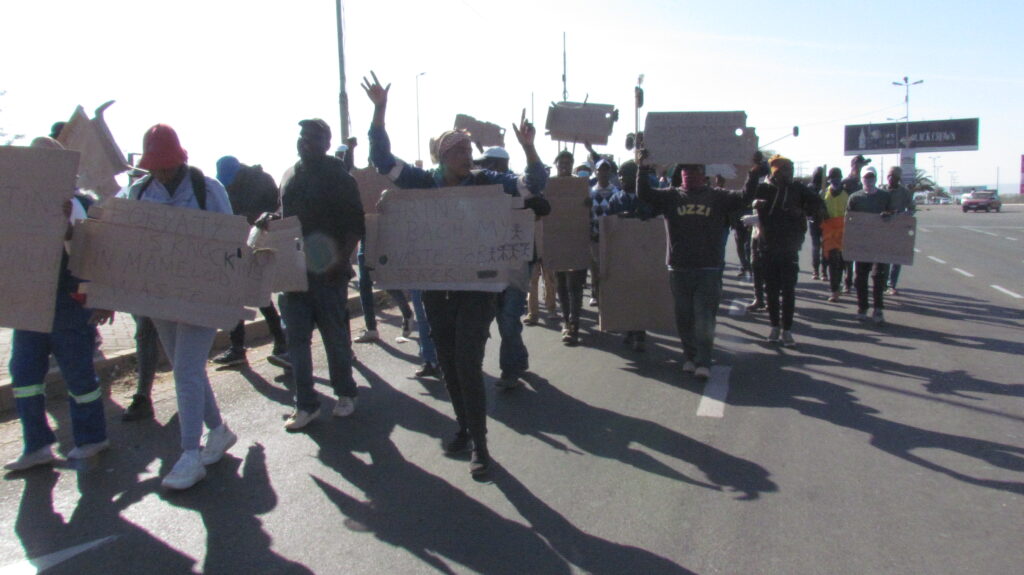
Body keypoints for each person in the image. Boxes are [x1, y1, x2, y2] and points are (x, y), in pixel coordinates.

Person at [364, 72, 549, 477]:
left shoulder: (488, 182)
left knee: (467, 361)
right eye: (460, 149)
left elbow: (533, 185)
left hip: (478, 290)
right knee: (448, 362)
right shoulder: (421, 184)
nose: (468, 154)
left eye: (469, 148)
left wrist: (530, 149)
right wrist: (379, 112)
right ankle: (464, 428)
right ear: (442, 157)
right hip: (436, 288)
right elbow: (383, 162)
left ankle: (481, 446)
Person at [119, 124, 237, 490]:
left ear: (181, 159)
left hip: (202, 297)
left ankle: (189, 453)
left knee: (186, 369)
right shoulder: (136, 194)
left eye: (168, 165)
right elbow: (118, 238)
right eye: (157, 167)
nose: (164, 173)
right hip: (159, 298)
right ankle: (218, 431)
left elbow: (232, 243)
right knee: (185, 368)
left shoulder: (207, 189)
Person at [5, 136, 109, 472]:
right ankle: (37, 445)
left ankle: (92, 438)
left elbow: (89, 254)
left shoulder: (80, 203)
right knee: (24, 375)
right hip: (30, 302)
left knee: (78, 374)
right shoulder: (17, 202)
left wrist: (66, 230)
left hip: (67, 304)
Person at [269, 118, 365, 430]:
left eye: (312, 137)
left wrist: (343, 258)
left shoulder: (338, 176)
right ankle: (306, 404)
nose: (304, 142)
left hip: (329, 275)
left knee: (335, 338)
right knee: (296, 340)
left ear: (326, 143)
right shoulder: (289, 175)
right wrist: (268, 222)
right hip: (294, 275)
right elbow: (284, 218)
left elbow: (355, 223)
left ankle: (345, 393)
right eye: (301, 136)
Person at [638, 159, 747, 379]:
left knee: (704, 316)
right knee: (684, 316)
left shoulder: (717, 196)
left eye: (695, 169)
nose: (690, 173)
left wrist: (754, 172)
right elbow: (644, 194)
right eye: (686, 170)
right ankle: (690, 356)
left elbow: (745, 197)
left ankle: (704, 361)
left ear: (704, 173)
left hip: (708, 268)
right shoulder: (671, 196)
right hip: (679, 267)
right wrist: (642, 167)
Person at [211, 156, 289, 368]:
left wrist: (260, 218)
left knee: (261, 295)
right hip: (236, 246)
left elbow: (278, 209)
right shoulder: (227, 188)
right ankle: (237, 349)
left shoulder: (262, 180)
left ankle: (282, 342)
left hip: (260, 244)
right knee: (234, 297)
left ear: (240, 172)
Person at [744, 154, 823, 347]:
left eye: (791, 170)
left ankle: (787, 330)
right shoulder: (763, 189)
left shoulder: (797, 189)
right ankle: (774, 327)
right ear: (775, 172)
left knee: (788, 290)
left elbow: (820, 207)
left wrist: (803, 211)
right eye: (785, 170)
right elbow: (745, 197)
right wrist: (753, 176)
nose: (789, 174)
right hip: (767, 246)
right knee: (771, 290)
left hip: (790, 247)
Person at [609, 160, 655, 352]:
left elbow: (651, 219)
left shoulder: (645, 197)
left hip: (641, 252)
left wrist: (635, 215)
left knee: (640, 292)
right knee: (625, 292)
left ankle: (640, 332)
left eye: (625, 174)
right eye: (619, 174)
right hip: (621, 253)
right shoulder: (615, 199)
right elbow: (609, 224)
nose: (621, 178)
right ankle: (628, 328)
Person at [551, 151, 589, 345]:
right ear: (556, 164)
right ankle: (566, 320)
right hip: (556, 243)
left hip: (576, 241)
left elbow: (589, 210)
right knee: (561, 287)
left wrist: (586, 204)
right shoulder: (549, 186)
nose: (564, 165)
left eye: (568, 162)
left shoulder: (580, 186)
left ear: (572, 164)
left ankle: (573, 323)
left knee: (574, 286)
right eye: (561, 162)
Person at [847, 166, 893, 324]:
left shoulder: (884, 196)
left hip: (880, 242)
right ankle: (862, 307)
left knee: (879, 276)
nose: (869, 180)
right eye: (866, 177)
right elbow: (849, 219)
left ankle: (878, 309)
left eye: (872, 177)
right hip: (861, 244)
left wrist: (888, 216)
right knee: (860, 278)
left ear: (876, 178)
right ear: (862, 179)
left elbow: (893, 215)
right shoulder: (855, 198)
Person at [588, 159, 619, 306]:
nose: (604, 172)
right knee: (595, 266)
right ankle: (595, 293)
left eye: (607, 170)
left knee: (610, 266)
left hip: (611, 235)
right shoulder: (590, 192)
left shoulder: (616, 192)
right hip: (594, 235)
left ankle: (609, 293)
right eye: (601, 169)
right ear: (596, 172)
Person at [821, 167, 853, 302]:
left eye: (837, 177)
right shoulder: (823, 193)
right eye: (833, 177)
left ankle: (847, 283)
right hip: (829, 232)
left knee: (846, 261)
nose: (835, 180)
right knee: (833, 262)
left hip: (846, 230)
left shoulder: (848, 193)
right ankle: (835, 290)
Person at [885, 166, 915, 295]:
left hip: (899, 228)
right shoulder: (881, 191)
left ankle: (892, 284)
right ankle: (883, 282)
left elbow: (911, 208)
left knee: (897, 259)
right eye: (890, 176)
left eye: (895, 177)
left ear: (898, 179)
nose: (892, 179)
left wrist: (905, 214)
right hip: (883, 229)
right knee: (883, 258)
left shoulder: (904, 192)